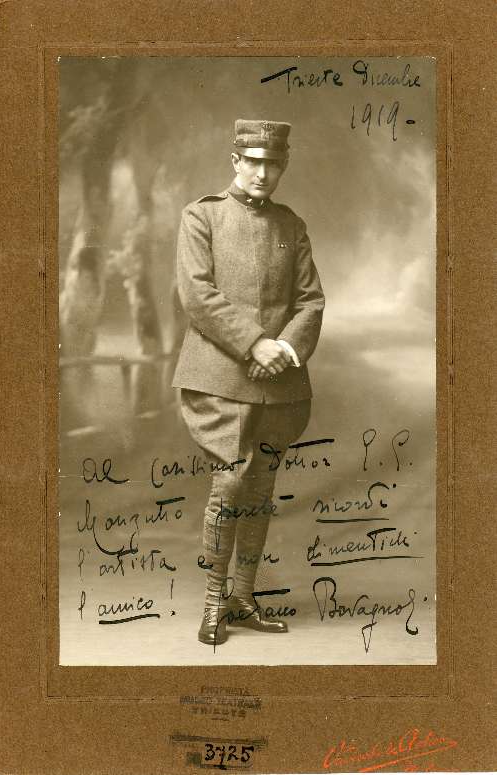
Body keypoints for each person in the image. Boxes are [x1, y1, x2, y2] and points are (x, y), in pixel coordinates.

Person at [172, 119, 325, 645]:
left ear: (283, 166)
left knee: (260, 487)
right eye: (254, 162)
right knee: (230, 483)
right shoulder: (202, 215)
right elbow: (197, 295)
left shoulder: (291, 224)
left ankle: (243, 597)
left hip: (279, 380)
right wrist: (254, 343)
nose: (262, 173)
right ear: (235, 160)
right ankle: (214, 601)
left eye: (273, 163)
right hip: (219, 376)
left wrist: (283, 349)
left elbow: (310, 300)